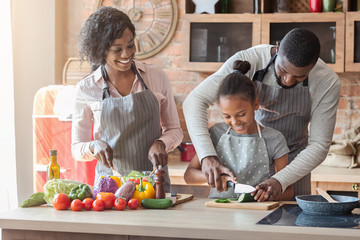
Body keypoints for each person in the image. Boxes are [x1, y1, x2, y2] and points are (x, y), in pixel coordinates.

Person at [183, 28, 340, 200]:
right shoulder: (250, 60)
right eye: (283, 71)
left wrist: (281, 180)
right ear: (278, 48)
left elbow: (319, 145)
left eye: (298, 78)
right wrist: (208, 156)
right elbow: (194, 101)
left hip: (295, 164)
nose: (287, 81)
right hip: (251, 160)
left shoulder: (327, 81)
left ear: (313, 66)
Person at [71, 7, 183, 191]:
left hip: (154, 186)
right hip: (110, 189)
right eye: (117, 49)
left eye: (130, 45)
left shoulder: (155, 77)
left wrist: (161, 143)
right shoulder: (87, 88)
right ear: (101, 51)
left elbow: (174, 130)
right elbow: (77, 147)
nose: (126, 54)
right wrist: (93, 146)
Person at [184, 60, 293, 201]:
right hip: (218, 211)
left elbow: (289, 190)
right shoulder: (216, 133)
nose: (235, 122)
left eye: (241, 114)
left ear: (255, 104)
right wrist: (213, 177)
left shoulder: (275, 139)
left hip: (258, 213)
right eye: (227, 116)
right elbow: (189, 175)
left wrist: (268, 195)